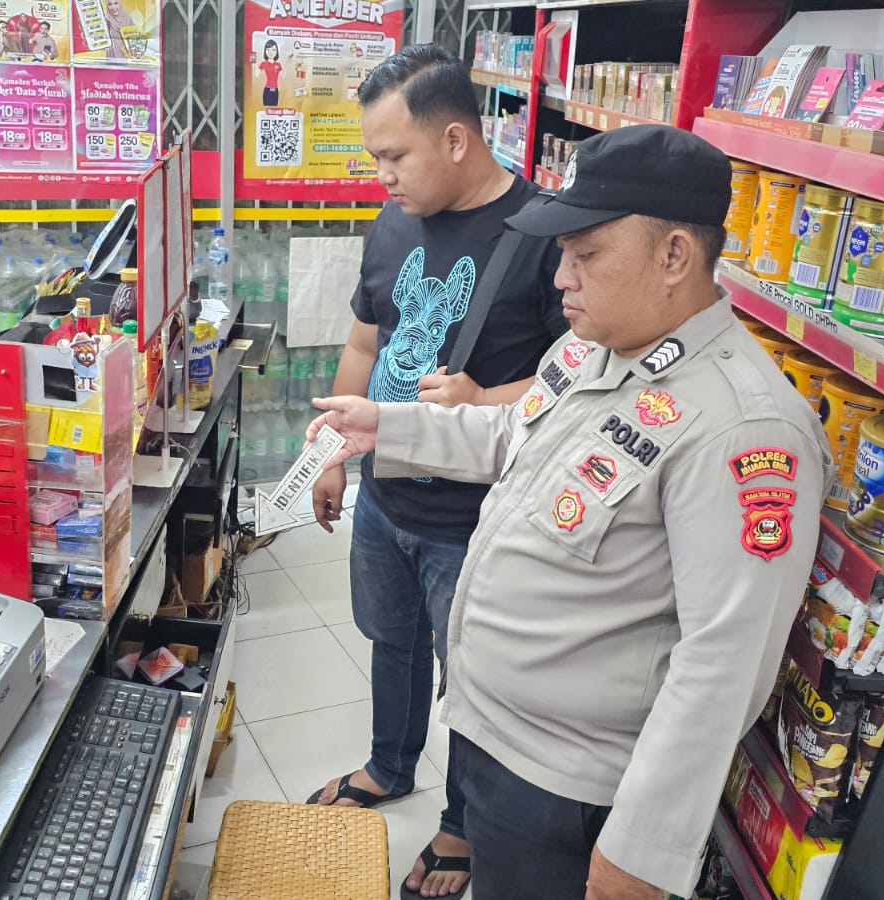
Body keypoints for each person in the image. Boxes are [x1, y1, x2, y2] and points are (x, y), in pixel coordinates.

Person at [308, 125, 830, 899]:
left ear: (675, 256)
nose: (561, 278)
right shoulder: (594, 347)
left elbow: (722, 663)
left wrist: (641, 852)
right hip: (493, 739)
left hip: (570, 792)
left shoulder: (744, 429)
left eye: (585, 255)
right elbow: (508, 436)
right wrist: (384, 426)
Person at [305, 44, 568, 900]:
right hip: (383, 493)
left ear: (456, 139)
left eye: (394, 156)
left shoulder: (544, 234)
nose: (382, 176)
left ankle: (460, 826)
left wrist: (488, 394)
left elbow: (585, 375)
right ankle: (389, 766)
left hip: (478, 518)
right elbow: (363, 341)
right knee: (392, 639)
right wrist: (331, 453)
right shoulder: (392, 222)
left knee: (475, 685)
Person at [259, 40, 283, 107]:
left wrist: (287, 61)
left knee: (274, 110)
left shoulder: (278, 64)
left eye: (273, 50)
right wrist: (254, 62)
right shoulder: (264, 64)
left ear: (276, 51)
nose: (271, 52)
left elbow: (283, 76)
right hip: (267, 90)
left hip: (275, 90)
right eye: (268, 50)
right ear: (265, 51)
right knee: (266, 110)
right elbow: (257, 74)